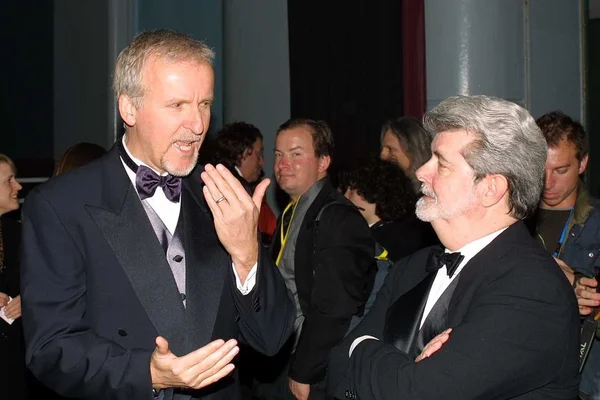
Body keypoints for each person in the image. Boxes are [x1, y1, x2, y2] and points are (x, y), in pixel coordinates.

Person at [20, 29, 294, 400]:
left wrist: (246, 255)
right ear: (129, 108)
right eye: (177, 105)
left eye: (205, 104)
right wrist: (146, 373)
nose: (197, 125)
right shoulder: (60, 206)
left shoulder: (222, 193)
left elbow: (272, 338)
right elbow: (50, 349)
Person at [327, 95, 580, 400]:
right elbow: (337, 370)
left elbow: (417, 393)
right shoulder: (415, 266)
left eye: (441, 164)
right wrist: (399, 368)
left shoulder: (534, 288)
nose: (422, 172)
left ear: (490, 189)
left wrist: (362, 346)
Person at [257, 118, 375, 400]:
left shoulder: (337, 218)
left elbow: (334, 306)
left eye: (296, 154)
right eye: (278, 154)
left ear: (323, 161)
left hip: (307, 364)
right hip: (279, 355)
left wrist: (304, 370)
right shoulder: (293, 211)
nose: (283, 163)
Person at [532, 110, 600, 399]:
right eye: (540, 168)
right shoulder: (506, 219)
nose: (548, 183)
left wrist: (591, 302)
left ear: (582, 163)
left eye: (560, 170)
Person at [339, 157, 437, 331]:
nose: (345, 196)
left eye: (352, 189)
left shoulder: (382, 242)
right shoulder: (404, 234)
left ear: (372, 192)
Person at [210, 122, 277, 242]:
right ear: (244, 153)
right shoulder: (240, 191)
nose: (262, 162)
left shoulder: (212, 179)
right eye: (259, 153)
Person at [0, 154, 27, 397]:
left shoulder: (18, 233)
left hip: (15, 363)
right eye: (9, 180)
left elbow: (43, 285)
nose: (18, 186)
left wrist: (28, 301)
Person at [379, 116, 432, 191]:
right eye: (382, 148)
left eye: (390, 149)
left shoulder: (431, 194)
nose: (382, 155)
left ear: (413, 152)